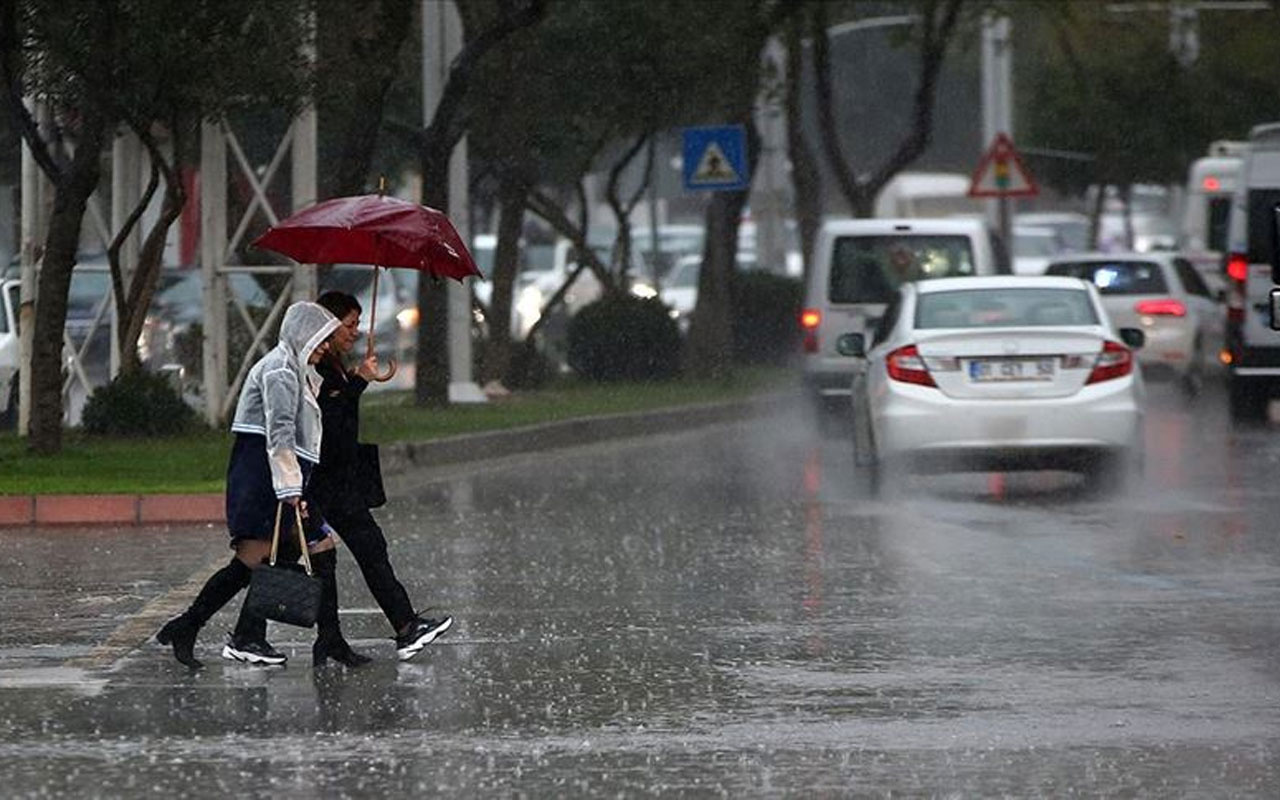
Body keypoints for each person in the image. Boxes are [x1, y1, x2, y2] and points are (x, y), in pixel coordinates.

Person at [156, 301, 342, 668]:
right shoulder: (280, 372)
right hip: (263, 477)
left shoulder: (295, 369)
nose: (325, 347)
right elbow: (280, 434)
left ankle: (242, 634)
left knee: (284, 555)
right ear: (302, 336)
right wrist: (292, 491)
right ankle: (204, 628)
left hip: (274, 475)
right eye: (321, 339)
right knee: (253, 560)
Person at [309, 289, 453, 663]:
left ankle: (358, 634)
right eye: (350, 324)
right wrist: (357, 382)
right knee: (274, 559)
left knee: (357, 552)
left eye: (358, 323)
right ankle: (402, 627)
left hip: (338, 479)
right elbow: (328, 422)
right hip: (324, 481)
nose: (356, 331)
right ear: (327, 324)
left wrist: (357, 378)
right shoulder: (317, 367)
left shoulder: (334, 364)